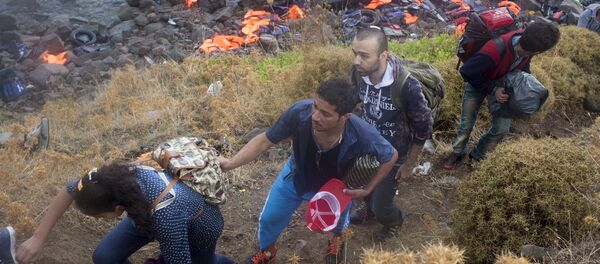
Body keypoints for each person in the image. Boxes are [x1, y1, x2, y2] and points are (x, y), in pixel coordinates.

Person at [219, 78, 398, 264]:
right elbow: (265, 140)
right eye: (315, 106)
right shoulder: (298, 113)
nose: (315, 116)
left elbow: (391, 155)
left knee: (338, 223)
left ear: (345, 117)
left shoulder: (362, 134)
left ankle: (336, 240)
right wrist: (231, 163)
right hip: (296, 175)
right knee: (270, 218)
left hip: (335, 188)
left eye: (326, 114)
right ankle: (267, 251)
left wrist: (368, 189)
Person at [15, 163, 234, 264]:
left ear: (118, 208)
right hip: (148, 212)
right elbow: (69, 190)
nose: (100, 220)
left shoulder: (166, 221)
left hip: (201, 225)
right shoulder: (108, 181)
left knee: (204, 261)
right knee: (104, 257)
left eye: (100, 216)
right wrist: (38, 237)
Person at [348, 26, 433, 241]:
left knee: (382, 204)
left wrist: (409, 165)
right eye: (355, 54)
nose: (357, 61)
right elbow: (354, 100)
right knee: (366, 186)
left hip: (395, 154)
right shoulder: (359, 74)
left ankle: (393, 220)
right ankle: (370, 211)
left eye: (364, 56)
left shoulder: (407, 86)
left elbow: (423, 128)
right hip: (369, 148)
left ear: (383, 55)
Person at [444, 22, 560, 169]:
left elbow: (523, 65)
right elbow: (466, 71)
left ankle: (477, 155)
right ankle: (458, 152)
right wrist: (493, 89)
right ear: (538, 52)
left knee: (501, 129)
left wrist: (523, 83)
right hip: (478, 82)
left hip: (503, 84)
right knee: (466, 124)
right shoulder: (494, 49)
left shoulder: (528, 44)